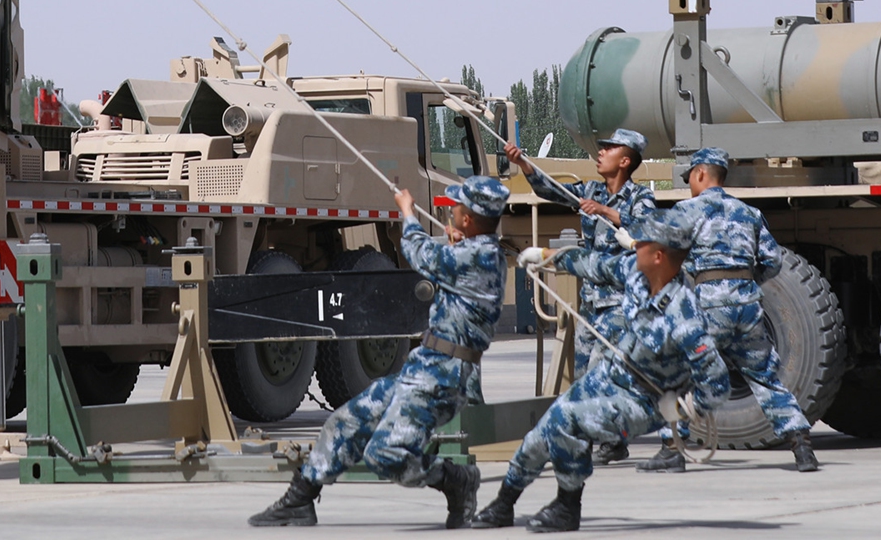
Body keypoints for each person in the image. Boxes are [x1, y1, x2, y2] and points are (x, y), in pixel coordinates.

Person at [248, 175, 509, 529]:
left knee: (385, 456)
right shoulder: (474, 251)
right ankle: (300, 497)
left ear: (468, 219)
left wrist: (407, 212)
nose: (451, 215)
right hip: (424, 367)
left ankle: (454, 479)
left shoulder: (478, 255)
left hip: (444, 376)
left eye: (456, 210)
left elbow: (417, 251)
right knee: (346, 421)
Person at [472, 211, 730, 533]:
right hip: (613, 372)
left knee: (571, 422)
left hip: (645, 400)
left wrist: (679, 409)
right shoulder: (636, 272)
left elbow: (717, 381)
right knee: (546, 428)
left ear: (659, 255)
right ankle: (504, 502)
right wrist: (547, 257)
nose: (635, 248)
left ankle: (567, 507)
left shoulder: (684, 313)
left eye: (642, 244)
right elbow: (594, 264)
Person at [636, 148, 819, 474]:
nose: (689, 183)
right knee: (764, 376)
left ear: (701, 174)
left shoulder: (688, 210)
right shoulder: (749, 212)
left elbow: (660, 252)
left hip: (709, 306)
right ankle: (801, 446)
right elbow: (773, 261)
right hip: (748, 308)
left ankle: (671, 449)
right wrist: (744, 284)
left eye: (690, 176)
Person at [501, 127, 656, 463]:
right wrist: (525, 164)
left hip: (620, 302)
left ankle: (609, 438)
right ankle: (600, 438)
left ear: (625, 160)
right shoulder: (590, 190)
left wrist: (606, 211)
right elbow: (550, 190)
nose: (600, 153)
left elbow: (647, 229)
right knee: (585, 373)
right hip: (592, 303)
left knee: (604, 371)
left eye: (609, 149)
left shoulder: (639, 198)